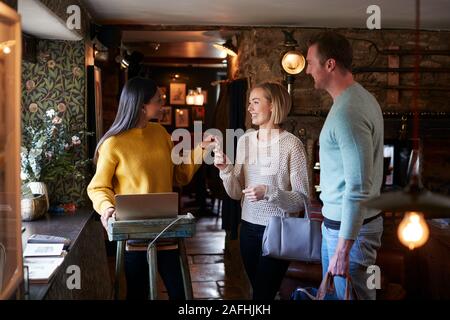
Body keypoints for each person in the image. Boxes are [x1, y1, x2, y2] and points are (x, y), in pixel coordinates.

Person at [87, 77, 212, 300]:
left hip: (167, 230)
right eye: (158, 100)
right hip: (134, 235)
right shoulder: (114, 143)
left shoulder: (161, 134)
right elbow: (98, 187)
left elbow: (180, 175)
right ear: (142, 106)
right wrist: (106, 207)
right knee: (138, 295)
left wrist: (201, 149)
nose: (162, 103)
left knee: (180, 293)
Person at [305, 32, 384, 300]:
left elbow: (359, 185)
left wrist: (343, 248)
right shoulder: (353, 100)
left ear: (329, 64)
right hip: (340, 228)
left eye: (309, 62)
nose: (306, 70)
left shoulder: (350, 111)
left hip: (351, 234)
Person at [213, 82, 310, 300]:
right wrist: (225, 170)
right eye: (249, 103)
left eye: (255, 102)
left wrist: (269, 191)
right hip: (247, 228)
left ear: (273, 106)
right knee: (260, 291)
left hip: (278, 230)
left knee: (262, 295)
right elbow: (236, 193)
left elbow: (301, 200)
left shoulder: (292, 145)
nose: (250, 108)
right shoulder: (245, 141)